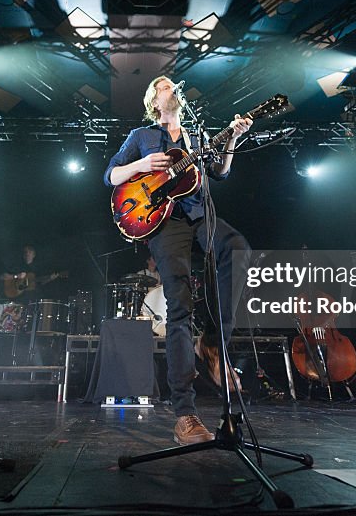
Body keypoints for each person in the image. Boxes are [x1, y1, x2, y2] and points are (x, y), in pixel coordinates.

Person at [105, 76, 252, 446]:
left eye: (174, 86)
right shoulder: (140, 136)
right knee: (179, 305)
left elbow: (221, 172)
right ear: (154, 100)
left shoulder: (196, 137)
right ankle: (185, 413)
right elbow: (111, 175)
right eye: (164, 85)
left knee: (238, 248)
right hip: (163, 221)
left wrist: (232, 137)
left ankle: (214, 343)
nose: (171, 88)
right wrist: (140, 164)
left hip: (200, 213)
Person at [140, 255, 167, 337]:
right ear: (148, 261)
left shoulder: (159, 275)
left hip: (157, 300)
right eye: (153, 259)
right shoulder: (141, 273)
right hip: (144, 298)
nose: (155, 261)